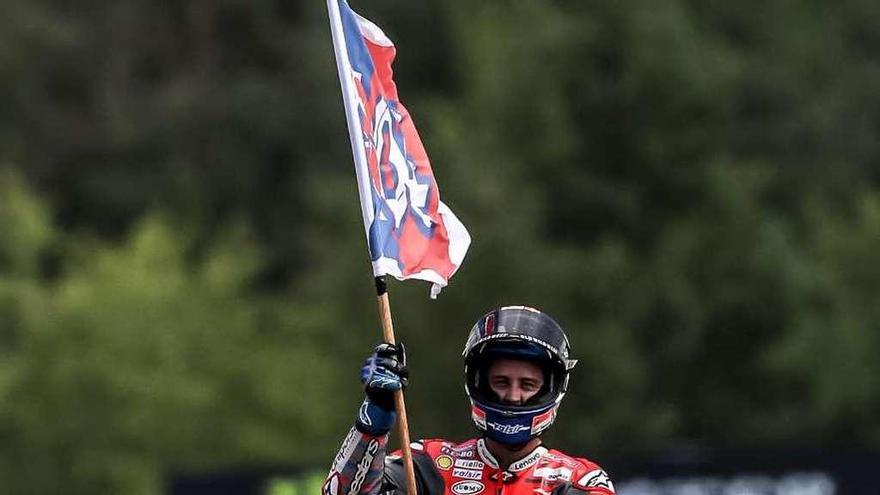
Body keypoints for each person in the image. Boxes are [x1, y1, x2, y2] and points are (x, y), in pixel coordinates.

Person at [323, 305, 616, 495]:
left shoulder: (578, 480)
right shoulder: (430, 463)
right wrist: (373, 420)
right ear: (478, 383)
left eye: (527, 384)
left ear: (550, 388)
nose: (513, 396)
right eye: (501, 382)